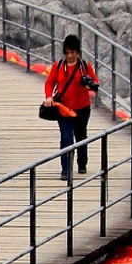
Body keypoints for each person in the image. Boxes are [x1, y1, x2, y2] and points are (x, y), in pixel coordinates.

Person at [43, 34, 100, 180]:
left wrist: (89, 87)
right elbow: (49, 83)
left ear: (77, 52)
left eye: (73, 52)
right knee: (66, 137)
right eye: (67, 52)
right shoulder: (59, 66)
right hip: (64, 109)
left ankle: (82, 163)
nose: (70, 56)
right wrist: (49, 96)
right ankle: (66, 169)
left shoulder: (85, 66)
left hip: (82, 108)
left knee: (81, 136)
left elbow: (95, 82)